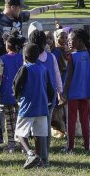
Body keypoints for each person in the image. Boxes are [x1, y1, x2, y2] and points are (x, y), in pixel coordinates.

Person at [13, 43, 55, 169]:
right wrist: (48, 102)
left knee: (20, 133)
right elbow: (50, 89)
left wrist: (17, 97)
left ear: (24, 56)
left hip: (27, 107)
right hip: (42, 107)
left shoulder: (25, 68)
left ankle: (30, 154)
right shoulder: (43, 69)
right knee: (40, 135)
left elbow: (16, 85)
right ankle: (42, 162)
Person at [28, 30, 63, 159]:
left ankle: (40, 155)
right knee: (46, 126)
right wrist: (60, 92)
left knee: (37, 127)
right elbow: (57, 75)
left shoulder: (29, 58)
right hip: (50, 97)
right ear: (44, 43)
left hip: (35, 97)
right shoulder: (51, 57)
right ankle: (45, 155)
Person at [62, 29, 90, 153]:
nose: (69, 41)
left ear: (80, 41)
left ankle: (70, 147)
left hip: (73, 94)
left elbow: (69, 76)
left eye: (71, 39)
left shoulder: (72, 57)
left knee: (71, 121)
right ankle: (88, 147)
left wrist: (64, 92)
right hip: (86, 94)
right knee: (85, 121)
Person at [0, 35, 25, 153]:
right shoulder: (22, 58)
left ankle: (11, 144)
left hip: (6, 94)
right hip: (21, 95)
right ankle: (23, 145)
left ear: (7, 45)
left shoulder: (2, 59)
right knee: (20, 120)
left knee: (9, 121)